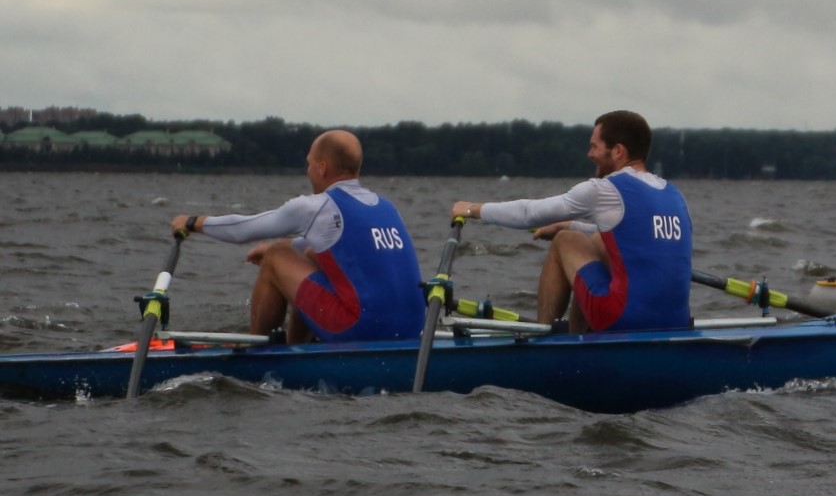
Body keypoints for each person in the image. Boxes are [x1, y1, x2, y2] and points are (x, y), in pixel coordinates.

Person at [169, 130, 426, 344]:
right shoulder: (387, 207)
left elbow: (243, 229)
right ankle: (297, 347)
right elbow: (339, 245)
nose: (308, 170)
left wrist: (193, 222)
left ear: (322, 168)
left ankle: (253, 351)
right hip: (411, 331)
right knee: (309, 255)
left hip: (361, 330)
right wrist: (288, 245)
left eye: (309, 164)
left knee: (275, 258)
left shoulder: (318, 206)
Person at [451, 110, 692, 332]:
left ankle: (544, 339)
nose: (589, 154)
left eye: (594, 146)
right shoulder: (675, 195)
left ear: (617, 151)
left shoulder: (606, 189)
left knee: (565, 241)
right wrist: (567, 224)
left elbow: (529, 214)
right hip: (676, 321)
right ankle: (579, 334)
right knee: (590, 237)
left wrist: (472, 209)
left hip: (623, 318)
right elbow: (629, 236)